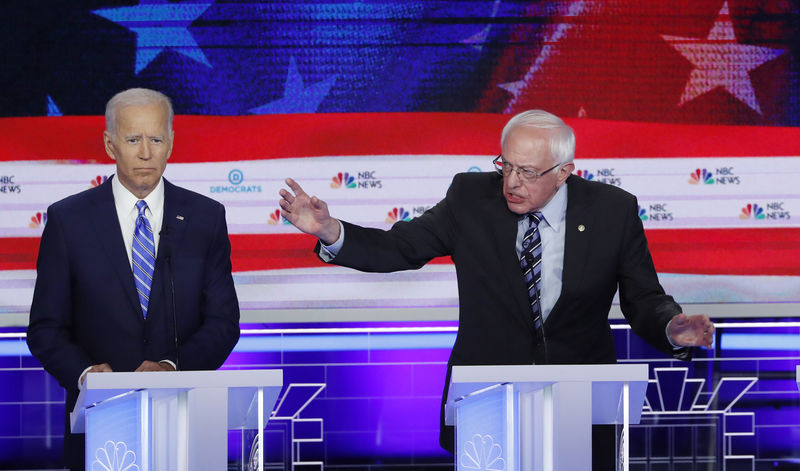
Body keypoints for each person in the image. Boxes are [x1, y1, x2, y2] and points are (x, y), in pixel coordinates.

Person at [279, 109, 714, 468]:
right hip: (487, 401)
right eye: (505, 165)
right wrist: (331, 230)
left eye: (527, 172)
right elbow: (400, 248)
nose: (511, 183)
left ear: (564, 171)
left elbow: (643, 299)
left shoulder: (612, 210)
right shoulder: (470, 198)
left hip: (580, 403)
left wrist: (671, 327)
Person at [26, 88, 241, 470]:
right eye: (133, 139)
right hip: (100, 425)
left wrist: (172, 368)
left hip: (186, 420)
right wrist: (85, 374)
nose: (146, 152)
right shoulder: (69, 220)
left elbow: (223, 322)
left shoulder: (205, 217)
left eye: (156, 139)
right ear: (110, 145)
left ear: (171, 143)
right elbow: (46, 328)